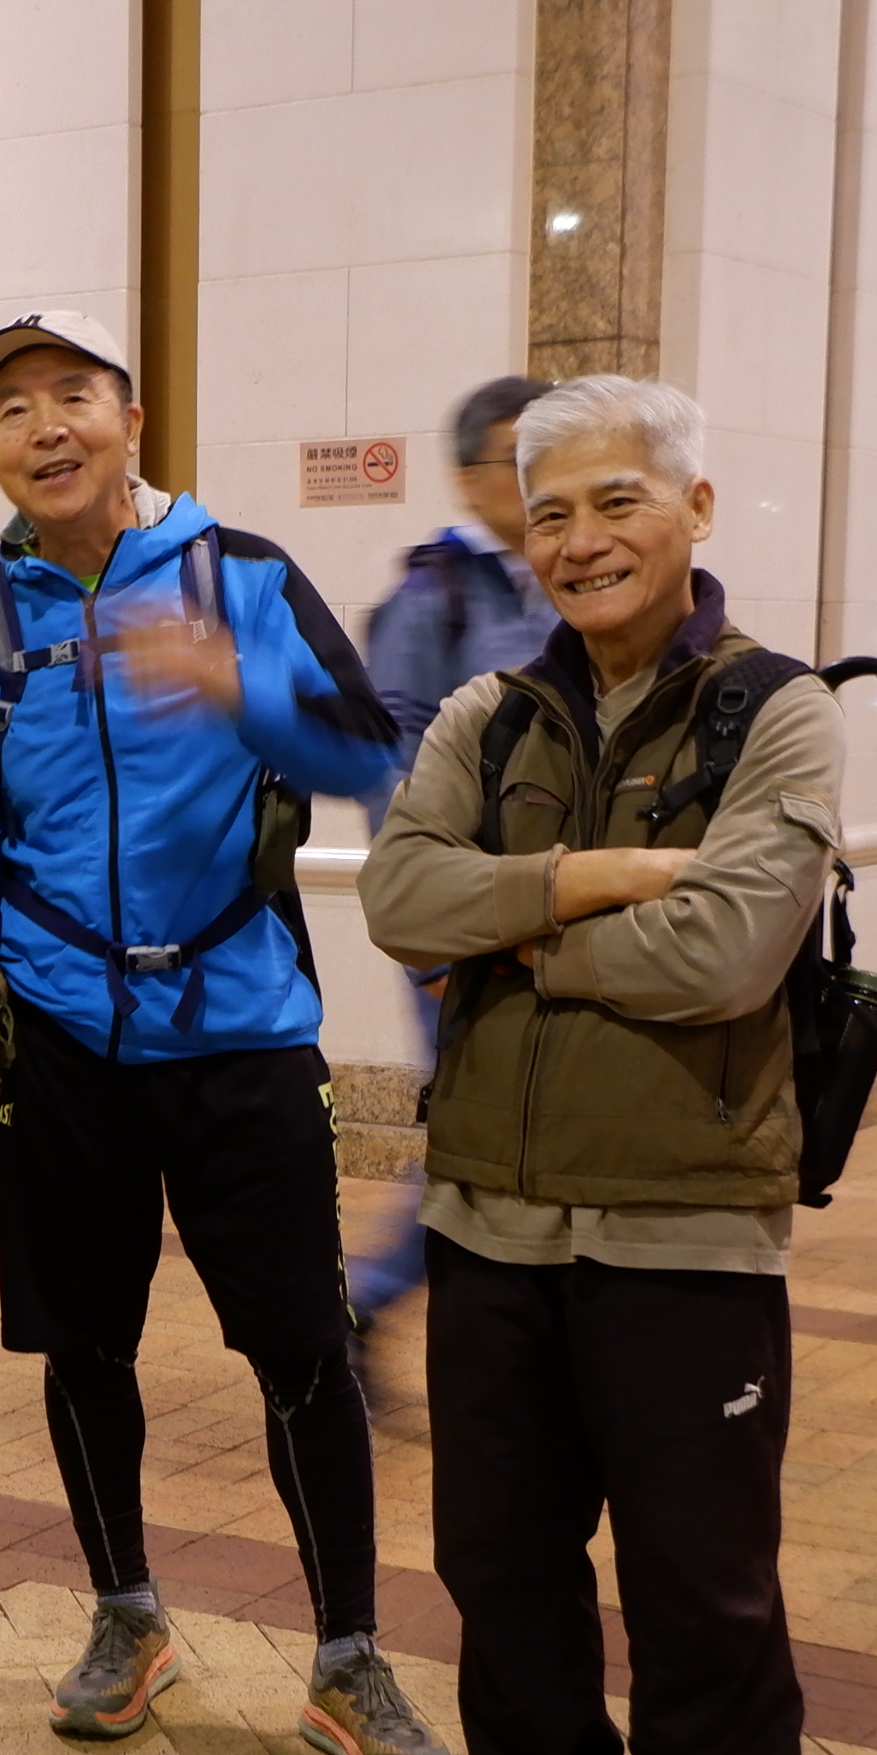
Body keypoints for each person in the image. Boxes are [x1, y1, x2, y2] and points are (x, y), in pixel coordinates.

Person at [358, 373, 838, 1755]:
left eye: (617, 501)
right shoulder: (488, 717)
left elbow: (731, 950)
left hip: (688, 1225)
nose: (580, 540)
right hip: (488, 1219)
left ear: (692, 507)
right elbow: (400, 897)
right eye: (551, 510)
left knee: (704, 1582)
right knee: (503, 1568)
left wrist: (519, 937)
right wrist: (590, 878)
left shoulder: (777, 712)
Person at [0, 307, 450, 1755]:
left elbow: (372, 752)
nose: (46, 426)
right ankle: (126, 1614)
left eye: (71, 394)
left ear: (132, 418)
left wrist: (239, 690)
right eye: (12, 408)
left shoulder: (246, 576)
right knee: (83, 1344)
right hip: (62, 1044)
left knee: (301, 1351)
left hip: (241, 1036)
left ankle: (348, 1657)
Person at [344, 375, 555, 1329]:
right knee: (473, 1136)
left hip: (561, 914)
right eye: (517, 459)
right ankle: (367, 1299)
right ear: (468, 477)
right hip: (467, 932)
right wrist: (432, 944)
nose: (538, 480)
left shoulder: (563, 583)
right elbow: (387, 775)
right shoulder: (432, 597)